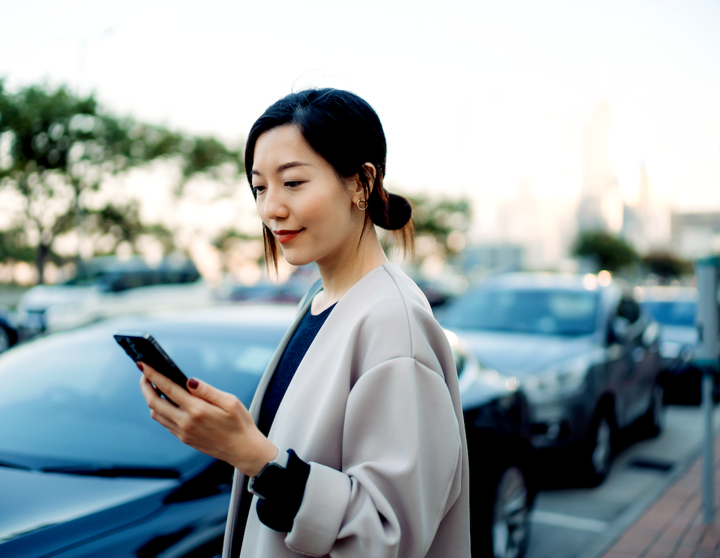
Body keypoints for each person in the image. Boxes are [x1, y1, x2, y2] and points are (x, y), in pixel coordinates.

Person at [139, 88, 471, 558]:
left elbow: (386, 538)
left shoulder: (394, 323)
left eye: (292, 183)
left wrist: (253, 456)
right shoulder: (322, 300)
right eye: (259, 187)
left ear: (360, 182)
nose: (270, 208)